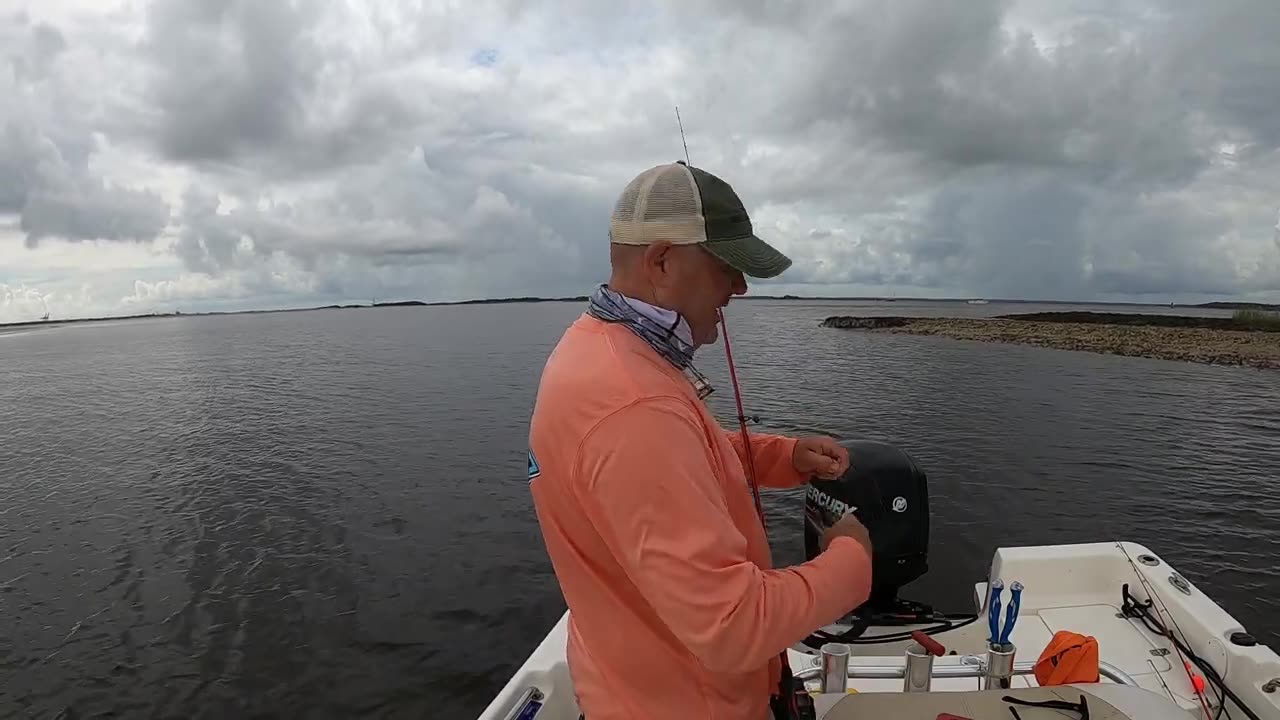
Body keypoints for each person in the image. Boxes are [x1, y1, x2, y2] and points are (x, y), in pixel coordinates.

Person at [527, 161, 874, 720]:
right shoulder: (634, 405)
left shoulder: (599, 350)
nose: (740, 286)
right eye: (725, 267)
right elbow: (731, 627)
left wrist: (783, 456)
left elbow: (680, 459)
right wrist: (853, 559)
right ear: (662, 260)